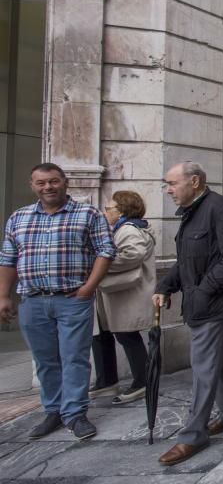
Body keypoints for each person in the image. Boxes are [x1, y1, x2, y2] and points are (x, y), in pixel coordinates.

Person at [0, 163, 115, 441]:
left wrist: (89, 288)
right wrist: (4, 295)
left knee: (74, 357)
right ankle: (53, 410)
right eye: (41, 183)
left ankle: (75, 413)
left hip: (72, 299)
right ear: (32, 185)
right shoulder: (19, 217)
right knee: (45, 360)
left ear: (65, 182)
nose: (47, 187)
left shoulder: (87, 214)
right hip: (33, 300)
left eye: (53, 181)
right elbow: (8, 258)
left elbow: (106, 250)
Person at [154, 162, 223, 466]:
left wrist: (204, 290)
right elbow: (187, 261)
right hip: (203, 303)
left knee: (202, 365)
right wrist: (166, 286)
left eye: (172, 183)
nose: (168, 190)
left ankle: (192, 435)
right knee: (215, 360)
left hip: (214, 304)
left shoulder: (217, 207)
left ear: (194, 181)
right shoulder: (193, 211)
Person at [94, 190, 156, 406]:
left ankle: (142, 381)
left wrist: (101, 263)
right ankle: (109, 380)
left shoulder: (128, 229)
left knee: (127, 336)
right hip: (123, 294)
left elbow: (133, 254)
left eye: (108, 208)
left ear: (121, 210)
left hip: (127, 294)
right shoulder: (129, 227)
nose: (105, 212)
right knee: (115, 335)